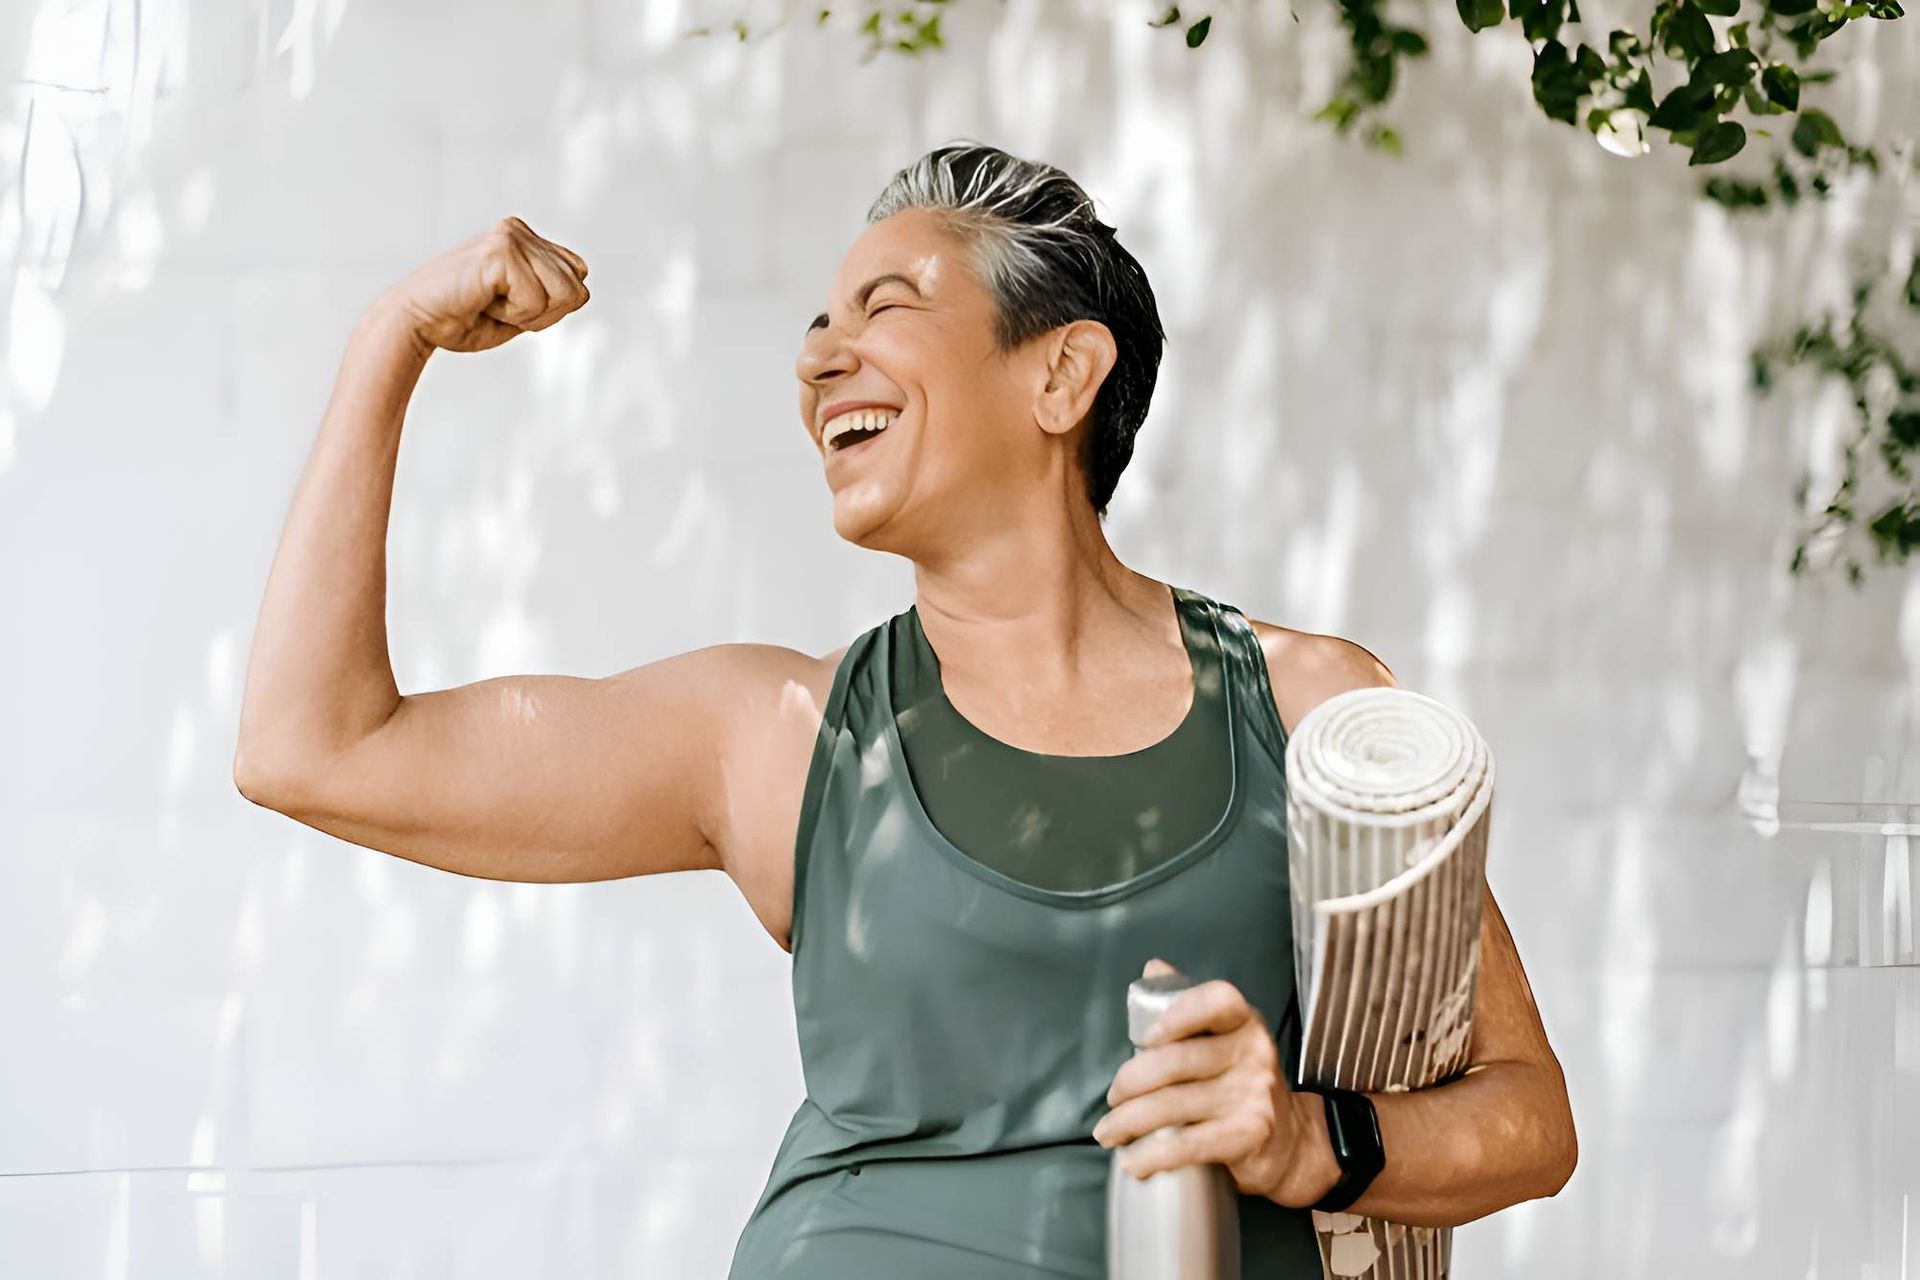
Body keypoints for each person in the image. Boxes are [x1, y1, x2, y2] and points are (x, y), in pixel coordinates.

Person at [233, 140, 1577, 1278]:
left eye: (884, 308)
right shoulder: (778, 734)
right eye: (818, 330)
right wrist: (388, 339)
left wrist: (1310, 1141)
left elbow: (1529, 1118)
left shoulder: (1314, 709)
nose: (822, 361)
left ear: (1060, 377)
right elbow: (313, 749)